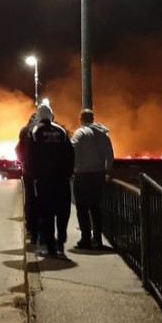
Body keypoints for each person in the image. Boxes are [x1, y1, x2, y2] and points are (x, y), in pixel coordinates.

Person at [28, 103, 74, 259]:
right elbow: (70, 154)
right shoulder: (61, 132)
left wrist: (34, 176)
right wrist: (68, 174)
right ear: (52, 115)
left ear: (39, 116)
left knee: (47, 214)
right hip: (61, 181)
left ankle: (50, 247)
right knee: (62, 213)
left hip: (44, 181)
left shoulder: (35, 131)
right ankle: (61, 245)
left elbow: (31, 157)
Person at [71, 108, 115, 249]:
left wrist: (72, 167)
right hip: (98, 175)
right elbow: (110, 155)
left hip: (83, 175)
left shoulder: (81, 132)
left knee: (82, 208)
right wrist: (108, 172)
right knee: (96, 208)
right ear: (93, 118)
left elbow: (73, 149)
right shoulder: (104, 134)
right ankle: (97, 238)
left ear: (81, 119)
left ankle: (85, 239)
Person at [15, 113, 39, 245]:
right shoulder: (43, 129)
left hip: (28, 171)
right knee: (43, 200)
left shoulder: (25, 130)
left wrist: (23, 161)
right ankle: (42, 231)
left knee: (30, 200)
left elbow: (18, 149)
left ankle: (31, 229)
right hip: (44, 172)